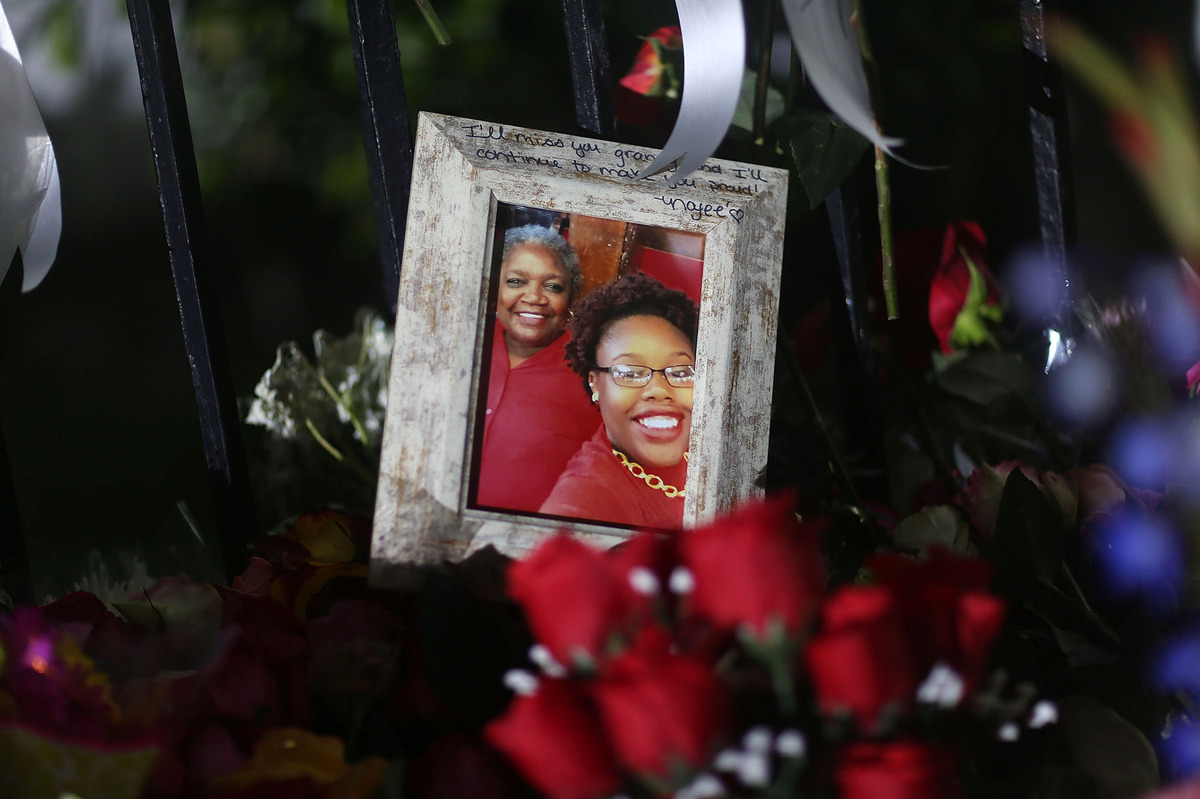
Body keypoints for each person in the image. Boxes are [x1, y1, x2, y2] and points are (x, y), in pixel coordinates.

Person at [539, 272, 699, 529]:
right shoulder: (584, 499)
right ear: (595, 384)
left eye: (680, 372)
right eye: (630, 373)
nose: (658, 390)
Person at [474, 224, 600, 513]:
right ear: (496, 287)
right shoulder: (466, 340)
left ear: (571, 297)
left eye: (553, 286)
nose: (534, 297)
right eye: (516, 281)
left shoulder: (591, 370)